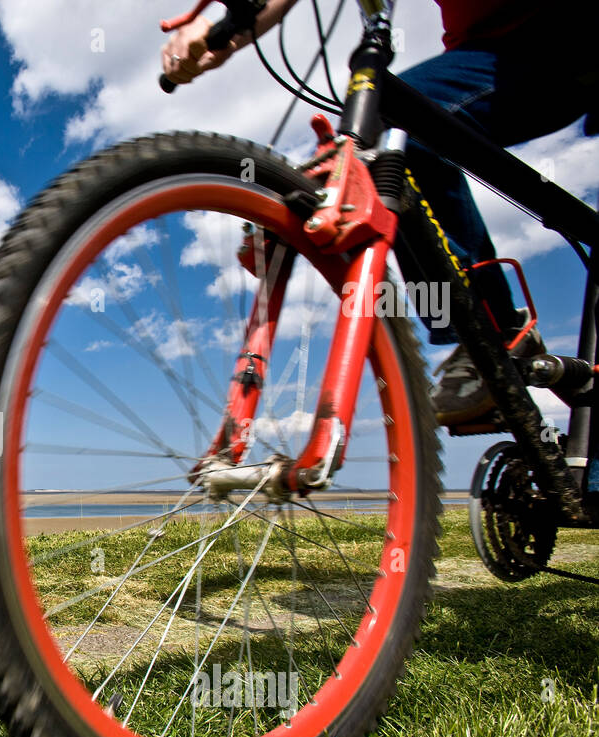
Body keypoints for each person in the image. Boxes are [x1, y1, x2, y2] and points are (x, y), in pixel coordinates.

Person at [161, 0, 599, 427]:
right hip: (485, 51)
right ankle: (495, 334)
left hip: (566, 33)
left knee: (410, 126)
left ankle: (501, 344)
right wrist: (230, 29)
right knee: (399, 135)